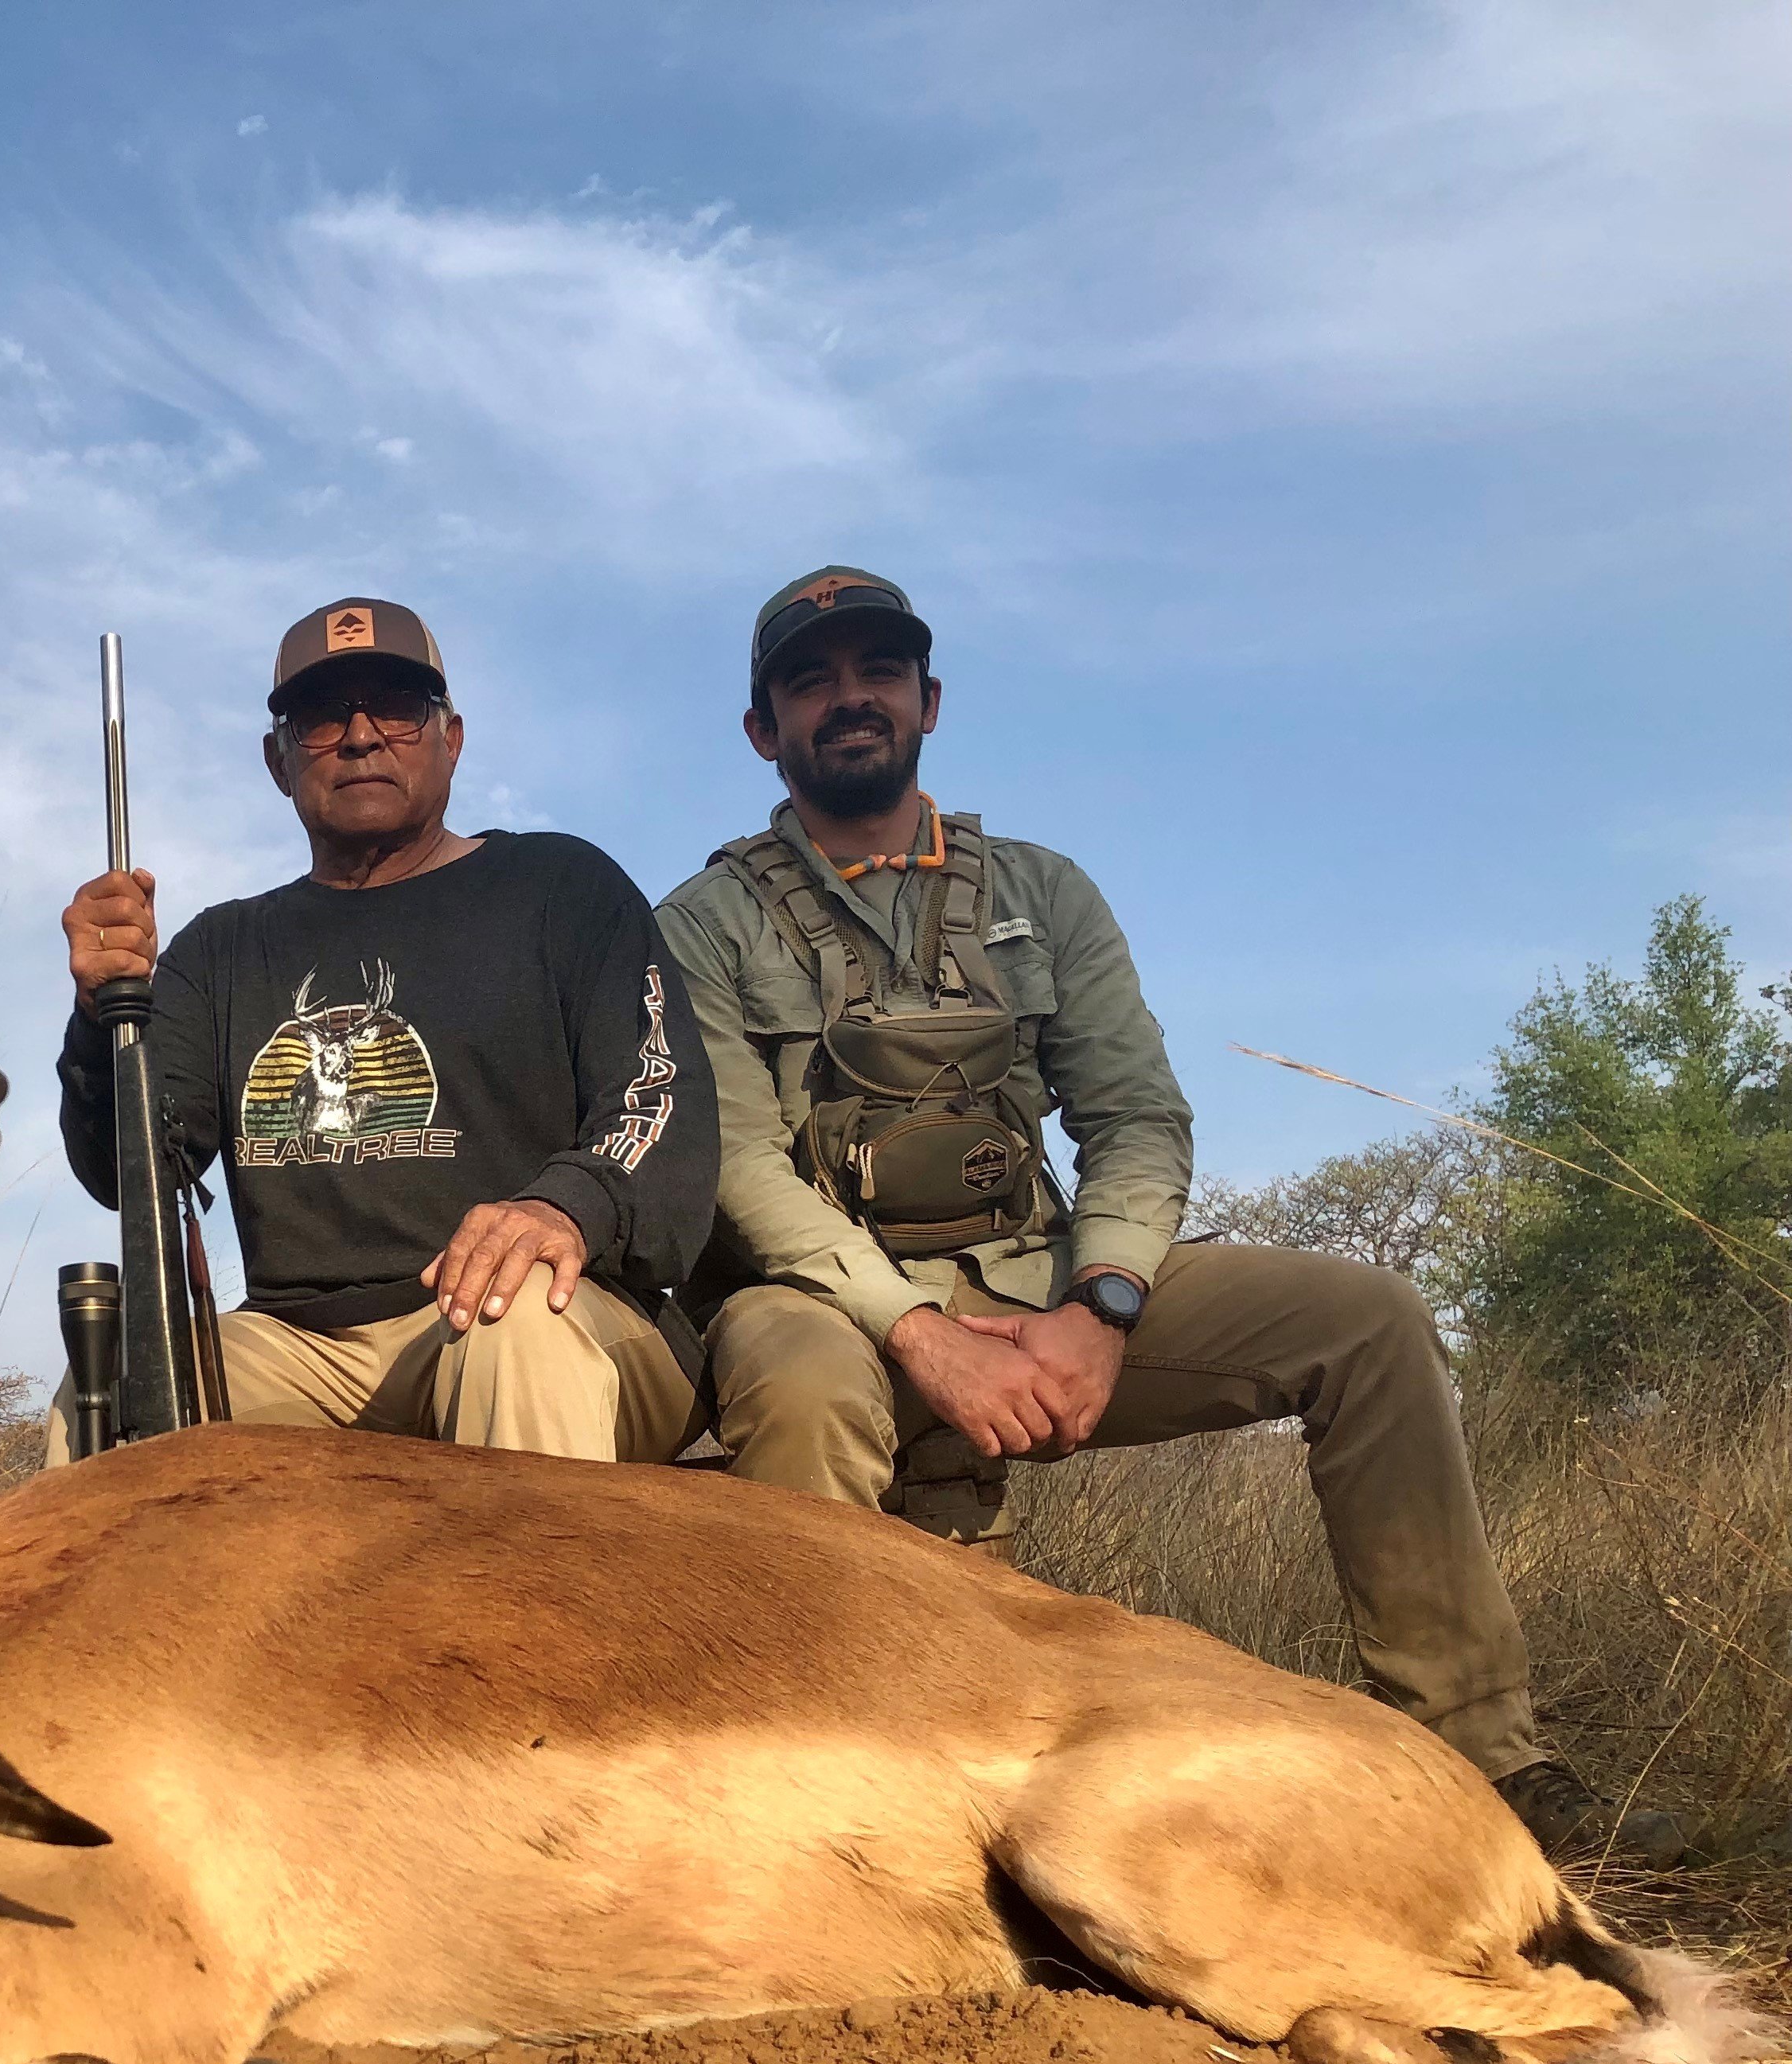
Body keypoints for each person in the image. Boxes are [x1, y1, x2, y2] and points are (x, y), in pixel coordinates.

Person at [652, 566, 1685, 1866]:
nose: (848, 698)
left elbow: (1135, 1116)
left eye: (877, 672)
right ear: (763, 729)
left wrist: (1101, 1306)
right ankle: (830, 1817)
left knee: (1368, 1321)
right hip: (824, 1303)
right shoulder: (697, 923)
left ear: (927, 700)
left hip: (1042, 1284)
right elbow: (739, 1165)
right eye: (810, 680)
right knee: (798, 1386)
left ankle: (1485, 1759)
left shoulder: (1043, 891)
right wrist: (917, 1329)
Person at [55, 597, 716, 1462]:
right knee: (110, 1388)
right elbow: (128, 1171)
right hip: (300, 1346)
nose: (362, 736)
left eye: (398, 710)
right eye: (323, 718)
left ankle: (530, 1601)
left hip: (548, 1309)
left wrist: (563, 1206)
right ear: (278, 759)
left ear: (452, 737)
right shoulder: (221, 949)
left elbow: (656, 1099)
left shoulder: (563, 886)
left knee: (512, 1323)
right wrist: (106, 1010)